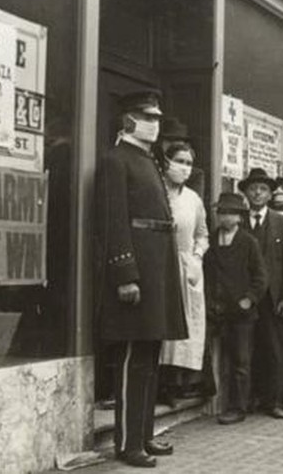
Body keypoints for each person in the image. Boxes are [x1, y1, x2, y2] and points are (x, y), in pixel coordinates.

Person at [97, 90, 186, 468]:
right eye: (147, 116)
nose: (155, 122)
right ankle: (128, 443)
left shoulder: (146, 161)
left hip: (158, 270)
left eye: (157, 117)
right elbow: (114, 220)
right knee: (134, 357)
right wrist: (125, 274)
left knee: (149, 357)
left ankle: (144, 435)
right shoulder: (116, 161)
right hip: (137, 275)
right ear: (128, 119)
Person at [239, 168, 283, 418]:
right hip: (246, 297)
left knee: (273, 350)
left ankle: (272, 401)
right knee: (246, 349)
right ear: (246, 193)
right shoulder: (240, 221)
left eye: (263, 189)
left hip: (273, 297)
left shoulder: (280, 222)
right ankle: (248, 400)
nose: (257, 193)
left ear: (269, 193)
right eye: (253, 188)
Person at [203, 193, 268, 425]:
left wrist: (249, 299)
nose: (224, 217)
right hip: (216, 309)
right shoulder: (211, 240)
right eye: (221, 212)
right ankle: (209, 399)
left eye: (230, 213)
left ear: (239, 217)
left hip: (241, 313)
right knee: (209, 355)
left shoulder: (248, 242)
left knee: (240, 360)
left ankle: (238, 407)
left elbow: (261, 278)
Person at [158, 142, 210, 406]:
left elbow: (202, 234)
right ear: (167, 162)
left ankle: (180, 382)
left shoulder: (193, 199)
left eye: (189, 163)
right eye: (180, 161)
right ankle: (160, 384)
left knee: (187, 325)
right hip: (161, 264)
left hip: (188, 265)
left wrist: (197, 256)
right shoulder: (157, 193)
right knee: (163, 323)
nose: (184, 168)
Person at [156, 116, 206, 199]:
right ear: (162, 143)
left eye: (177, 140)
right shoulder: (153, 166)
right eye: (169, 140)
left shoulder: (194, 174)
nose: (173, 144)